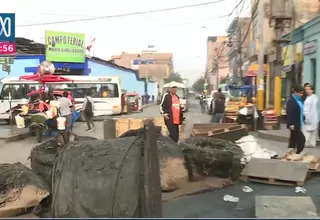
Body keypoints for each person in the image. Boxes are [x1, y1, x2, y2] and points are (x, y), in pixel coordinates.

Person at [286, 85, 306, 154]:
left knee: (293, 139)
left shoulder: (299, 100)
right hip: (294, 124)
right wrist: (290, 123)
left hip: (299, 122)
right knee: (302, 139)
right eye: (300, 93)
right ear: (295, 92)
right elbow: (289, 112)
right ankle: (297, 153)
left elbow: (300, 111)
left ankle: (290, 153)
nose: (301, 95)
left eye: (302, 93)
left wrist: (303, 118)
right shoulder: (291, 101)